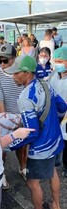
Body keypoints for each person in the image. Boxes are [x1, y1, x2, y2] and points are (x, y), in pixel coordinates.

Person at [4, 55, 67, 209]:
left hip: (41, 148)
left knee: (33, 183)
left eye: (16, 73)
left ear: (27, 73)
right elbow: (62, 107)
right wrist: (54, 123)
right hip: (56, 140)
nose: (13, 76)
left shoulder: (25, 97)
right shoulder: (46, 84)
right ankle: (56, 206)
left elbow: (31, 132)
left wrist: (10, 144)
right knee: (52, 172)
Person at [0, 43, 27, 189]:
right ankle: (1, 174)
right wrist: (11, 124)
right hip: (3, 118)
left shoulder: (21, 73)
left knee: (22, 146)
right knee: (2, 148)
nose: (2, 64)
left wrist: (22, 120)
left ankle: (23, 168)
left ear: (14, 59)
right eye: (0, 60)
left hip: (21, 115)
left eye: (6, 60)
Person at [49, 47, 67, 178]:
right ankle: (55, 162)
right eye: (57, 60)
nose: (58, 63)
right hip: (55, 114)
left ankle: (66, 166)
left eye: (61, 61)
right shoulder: (53, 75)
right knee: (56, 139)